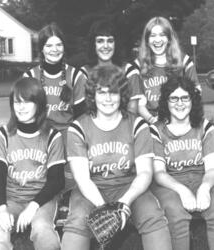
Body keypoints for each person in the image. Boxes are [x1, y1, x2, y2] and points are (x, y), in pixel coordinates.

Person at [61, 65, 172, 250]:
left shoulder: (137, 124)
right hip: (91, 189)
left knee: (153, 216)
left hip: (129, 188)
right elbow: (82, 179)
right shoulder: (78, 127)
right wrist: (105, 209)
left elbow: (145, 173)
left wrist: (124, 203)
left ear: (122, 95)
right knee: (78, 220)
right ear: (92, 95)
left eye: (113, 92)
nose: (107, 99)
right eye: (101, 92)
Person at [150, 74, 214, 250]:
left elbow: (213, 169)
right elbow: (159, 173)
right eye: (173, 98)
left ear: (192, 100)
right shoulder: (157, 130)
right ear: (166, 101)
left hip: (201, 178)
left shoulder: (204, 127)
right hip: (169, 183)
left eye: (184, 98)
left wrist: (204, 188)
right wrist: (182, 190)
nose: (179, 103)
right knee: (173, 210)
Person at [0, 77, 65, 250]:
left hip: (42, 200)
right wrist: (1, 208)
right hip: (10, 199)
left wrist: (32, 207)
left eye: (27, 102)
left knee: (43, 231)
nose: (21, 107)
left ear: (39, 104)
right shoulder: (3, 135)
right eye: (16, 102)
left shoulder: (52, 136)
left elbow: (57, 181)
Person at [23, 22, 87, 188]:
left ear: (64, 47)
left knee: (69, 180)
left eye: (59, 44)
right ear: (42, 49)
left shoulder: (76, 75)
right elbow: (23, 116)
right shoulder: (30, 76)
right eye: (49, 45)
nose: (54, 49)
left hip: (68, 135)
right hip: (40, 133)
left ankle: (67, 197)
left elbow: (81, 117)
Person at [129, 16, 201, 123]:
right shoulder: (137, 66)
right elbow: (138, 104)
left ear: (169, 39)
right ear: (147, 40)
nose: (157, 40)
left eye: (162, 35)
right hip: (150, 122)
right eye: (153, 36)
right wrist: (153, 120)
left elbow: (196, 95)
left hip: (179, 121)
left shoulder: (184, 62)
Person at [85, 19, 143, 115]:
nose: (106, 46)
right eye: (100, 41)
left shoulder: (129, 71)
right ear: (93, 44)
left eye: (110, 41)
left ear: (116, 43)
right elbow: (85, 111)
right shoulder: (84, 72)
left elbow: (132, 111)